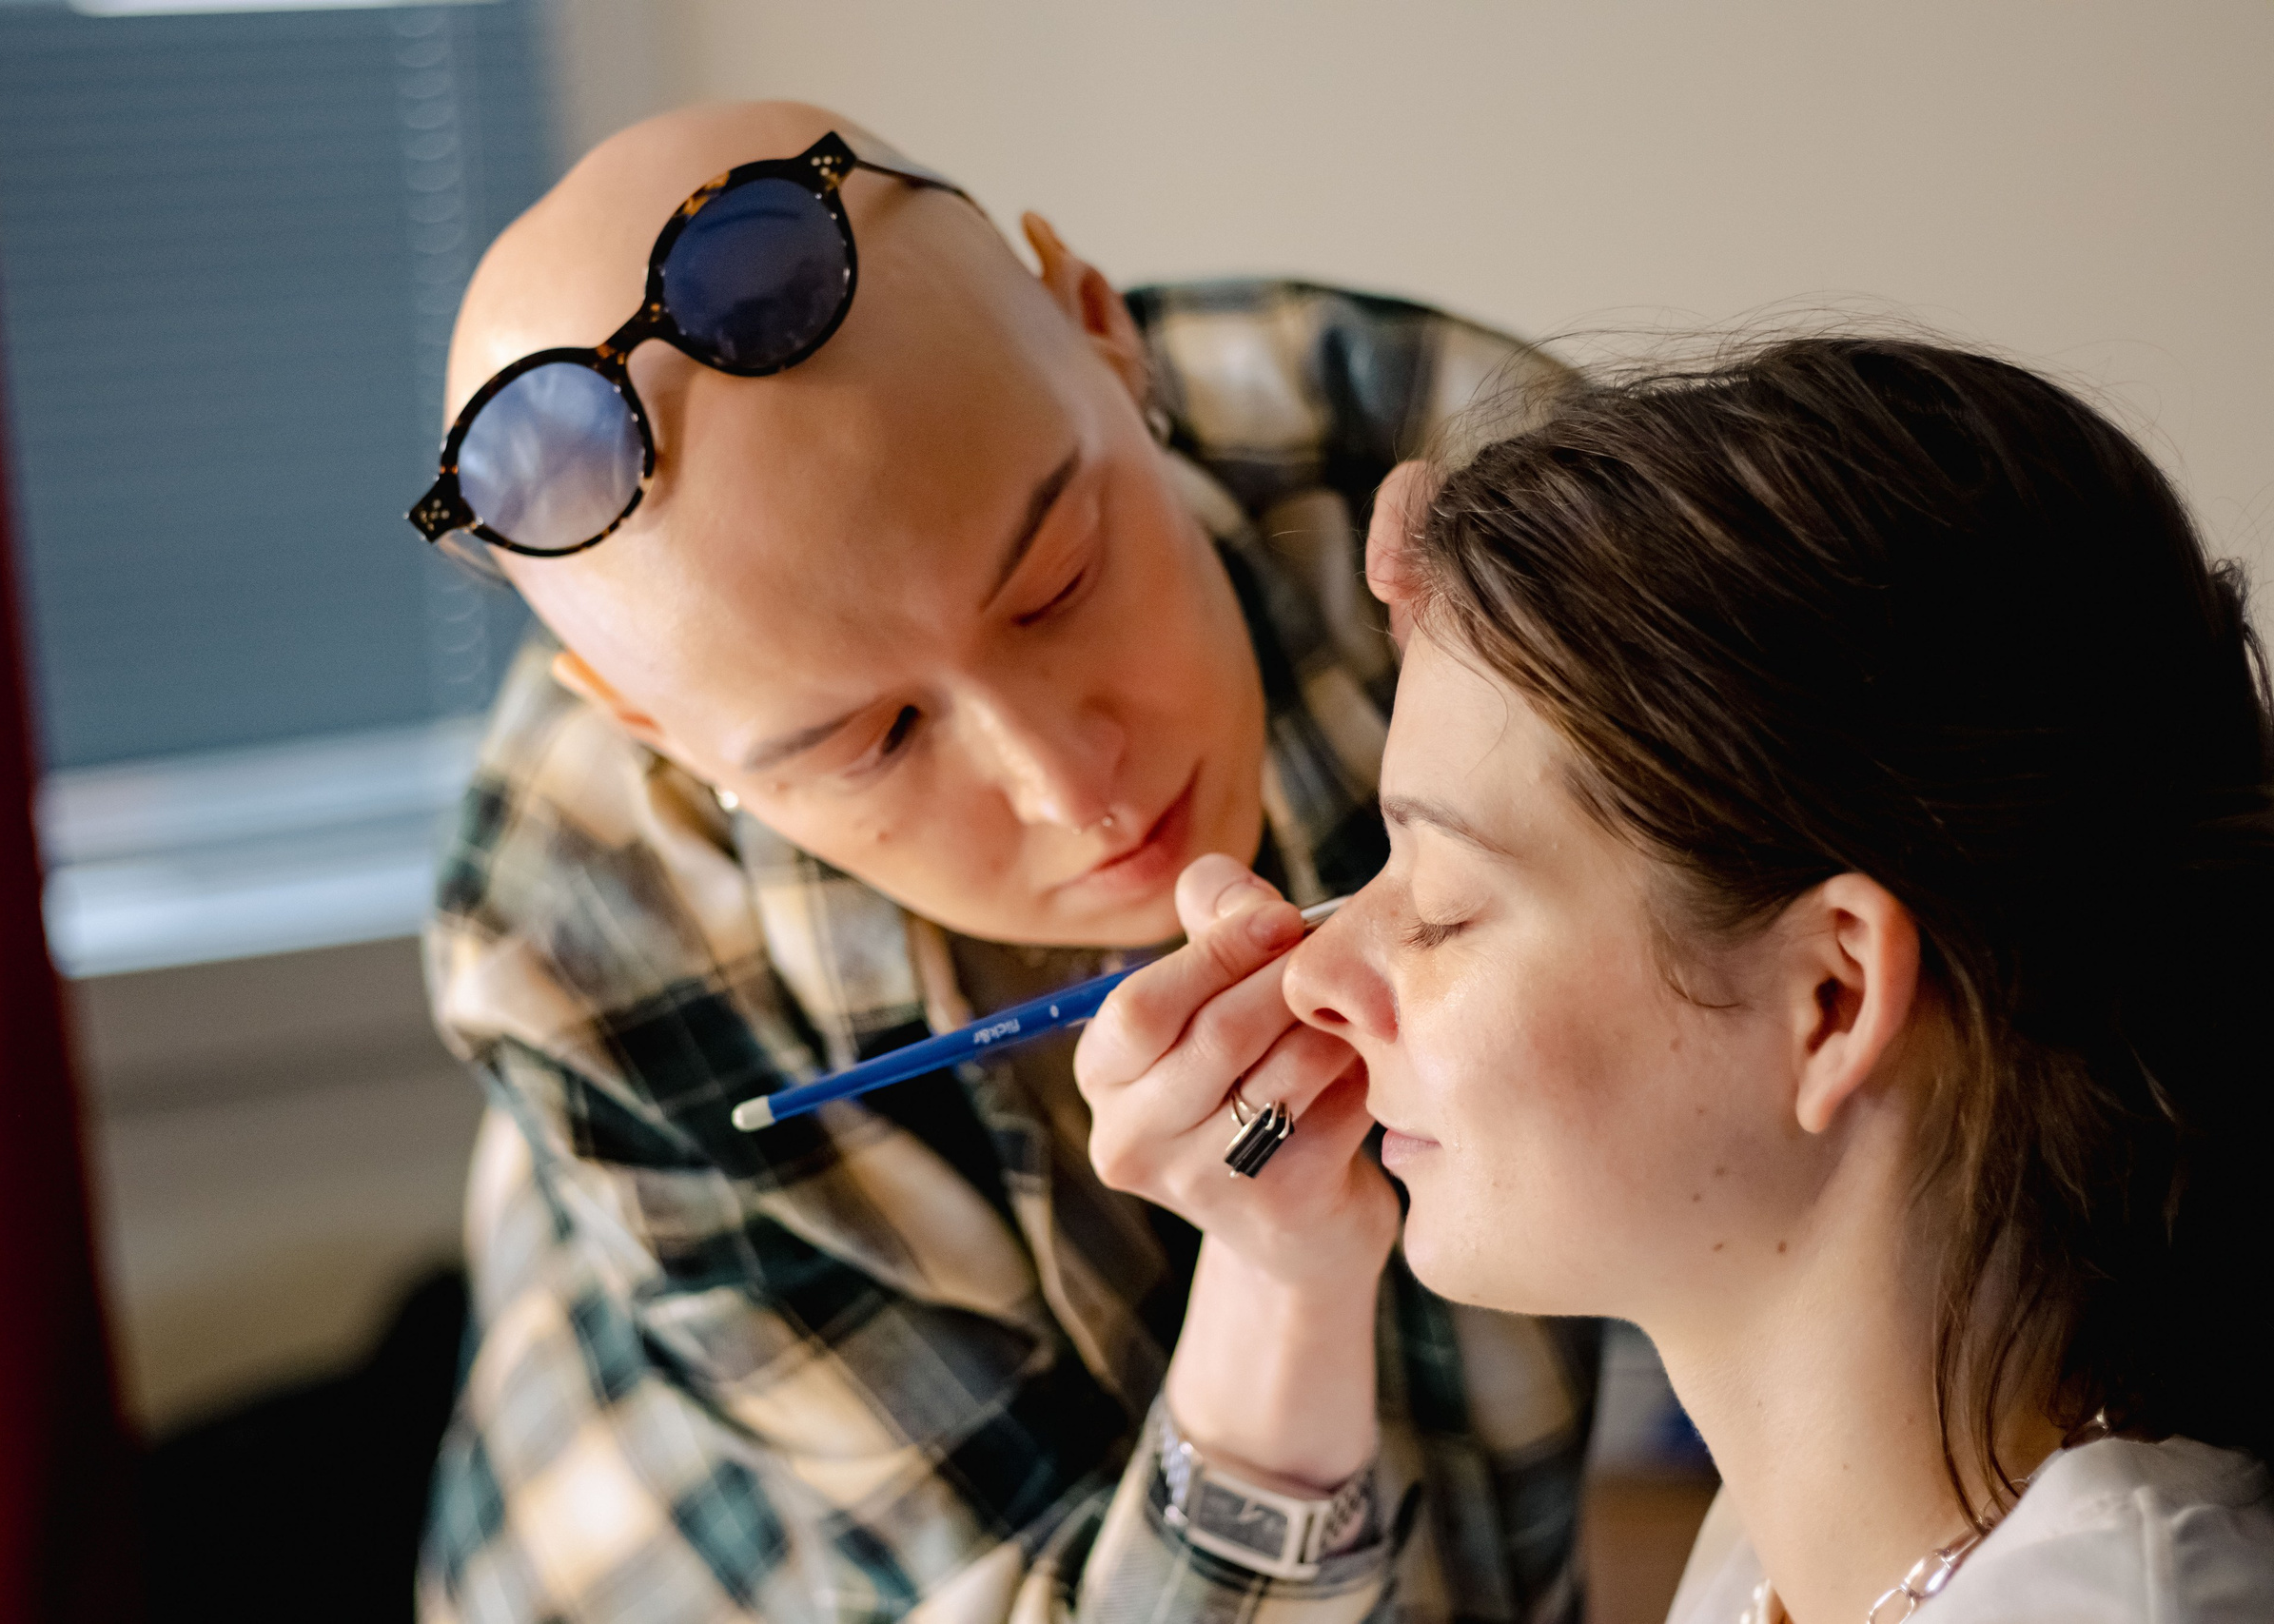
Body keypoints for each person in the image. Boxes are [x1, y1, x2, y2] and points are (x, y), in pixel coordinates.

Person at [413, 99, 1597, 1622]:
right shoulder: (569, 941)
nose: (1072, 788)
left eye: (1059, 583)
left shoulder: (1455, 469)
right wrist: (1282, 1281)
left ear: (1103, 332)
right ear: (661, 737)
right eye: (873, 744)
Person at [1080, 333, 2274, 1622]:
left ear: (1829, 998)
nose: (1317, 972)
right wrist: (1283, 1272)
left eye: (1438, 903)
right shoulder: (1799, 1566)